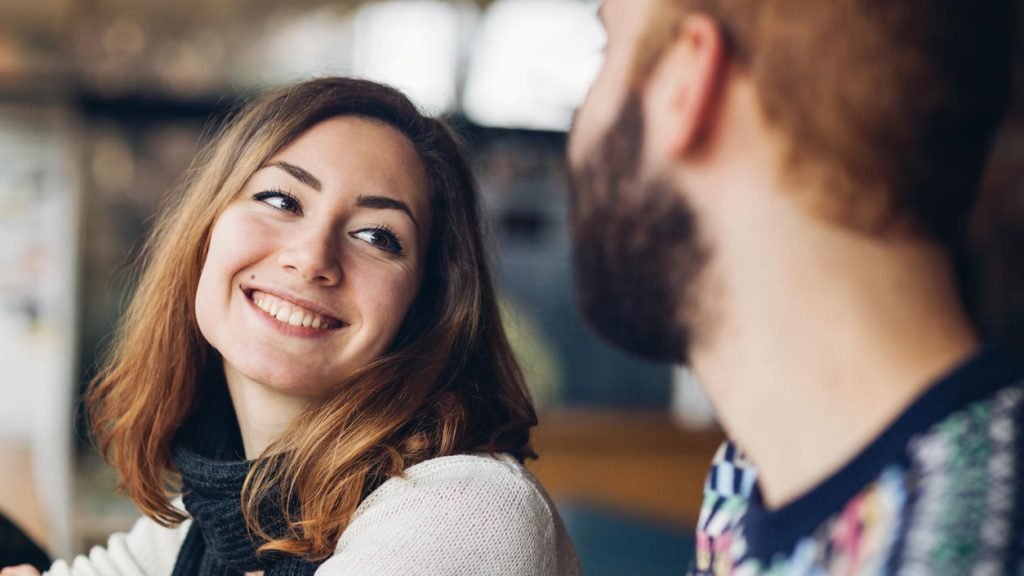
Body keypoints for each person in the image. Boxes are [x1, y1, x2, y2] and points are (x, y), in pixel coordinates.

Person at [2, 77, 580, 576]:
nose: (311, 258)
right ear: (205, 233)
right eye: (281, 199)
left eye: (377, 236)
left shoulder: (469, 510)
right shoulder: (217, 518)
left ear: (426, 307)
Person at [567, 0, 1021, 574]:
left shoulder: (950, 551)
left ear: (688, 79)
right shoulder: (748, 480)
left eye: (606, 50)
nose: (579, 125)